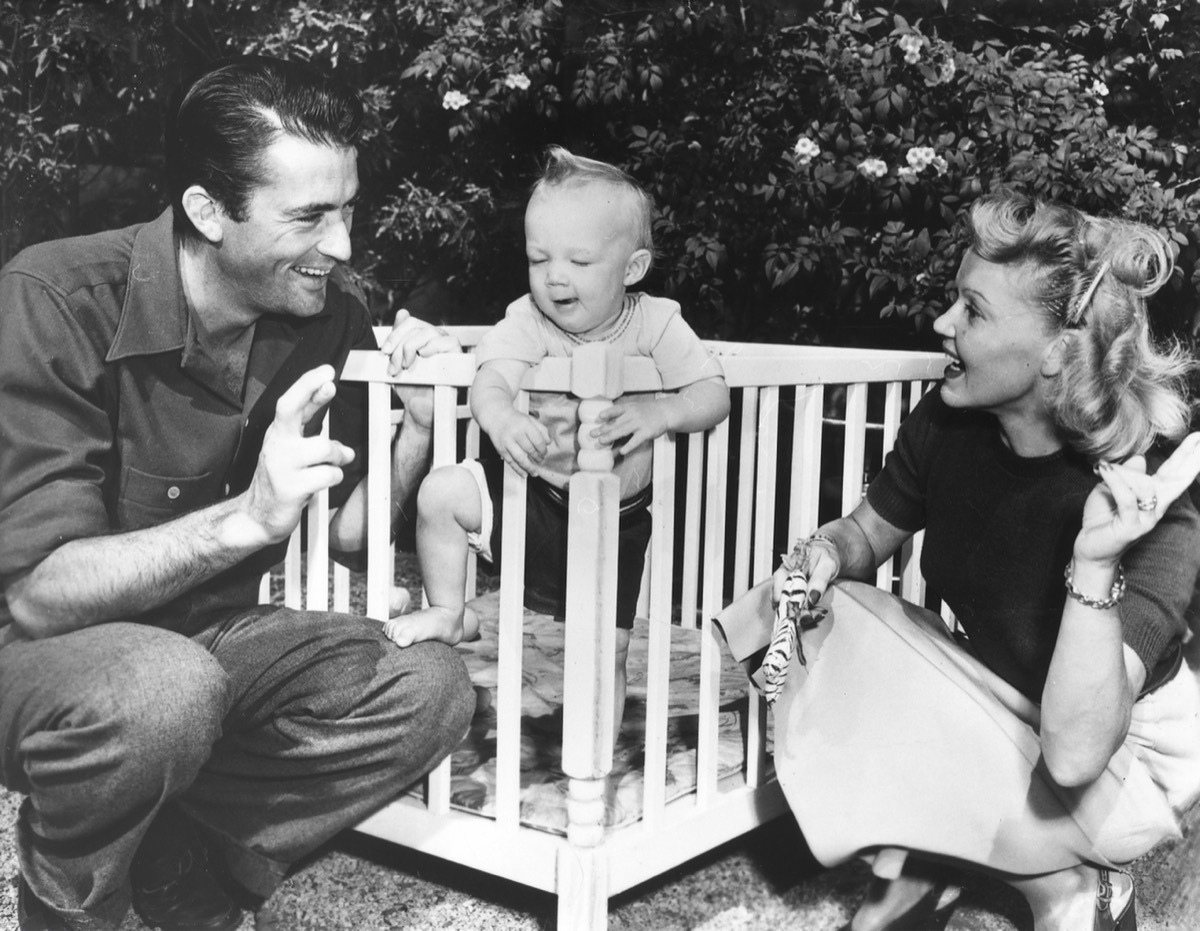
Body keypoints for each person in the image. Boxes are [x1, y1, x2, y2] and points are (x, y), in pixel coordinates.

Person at [0, 57, 476, 931]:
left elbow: (348, 533)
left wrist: (411, 428)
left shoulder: (329, 312)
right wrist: (245, 519)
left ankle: (188, 856)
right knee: (160, 687)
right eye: (308, 217)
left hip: (205, 640)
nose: (341, 246)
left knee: (430, 684)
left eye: (347, 210)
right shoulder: (51, 297)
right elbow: (36, 595)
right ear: (208, 212)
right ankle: (65, 901)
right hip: (32, 654)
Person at [719, 190, 1200, 931]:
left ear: (1056, 354)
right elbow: (862, 537)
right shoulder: (950, 420)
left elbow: (1075, 754)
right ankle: (941, 851)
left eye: (972, 311)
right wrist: (822, 554)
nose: (942, 324)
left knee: (1005, 767)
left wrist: (1096, 563)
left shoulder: (1151, 496)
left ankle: (1066, 884)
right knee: (834, 607)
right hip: (1006, 703)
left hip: (1124, 759)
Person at [384, 146, 729, 735]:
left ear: (632, 268)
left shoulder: (658, 322)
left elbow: (714, 394)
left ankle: (595, 746)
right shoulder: (528, 319)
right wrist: (498, 419)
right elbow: (490, 378)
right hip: (532, 501)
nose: (555, 276)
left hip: (616, 522)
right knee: (442, 492)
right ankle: (447, 609)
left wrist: (663, 410)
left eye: (579, 260)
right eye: (538, 258)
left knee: (607, 650)